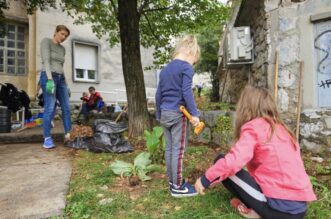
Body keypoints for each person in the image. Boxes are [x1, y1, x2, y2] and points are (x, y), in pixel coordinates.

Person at [194, 85, 316, 219]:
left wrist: (205, 179)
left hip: (279, 210)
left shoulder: (254, 127)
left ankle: (261, 212)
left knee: (221, 161)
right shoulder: (282, 128)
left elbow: (233, 162)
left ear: (245, 108)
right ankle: (257, 210)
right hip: (300, 209)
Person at [155, 35, 201, 197]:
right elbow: (186, 92)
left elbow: (158, 94)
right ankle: (178, 186)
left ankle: (172, 180)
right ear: (190, 51)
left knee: (169, 149)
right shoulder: (186, 68)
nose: (193, 63)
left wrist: (159, 114)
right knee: (179, 150)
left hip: (165, 113)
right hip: (178, 113)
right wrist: (194, 114)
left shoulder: (165, 70)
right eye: (194, 59)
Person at [40, 25, 72, 149]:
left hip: (61, 79)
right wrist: (49, 79)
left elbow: (61, 67)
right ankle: (47, 138)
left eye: (66, 36)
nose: (63, 37)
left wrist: (66, 85)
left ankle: (68, 135)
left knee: (67, 108)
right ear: (56, 32)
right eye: (62, 34)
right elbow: (46, 61)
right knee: (50, 107)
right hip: (48, 77)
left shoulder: (63, 49)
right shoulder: (46, 42)